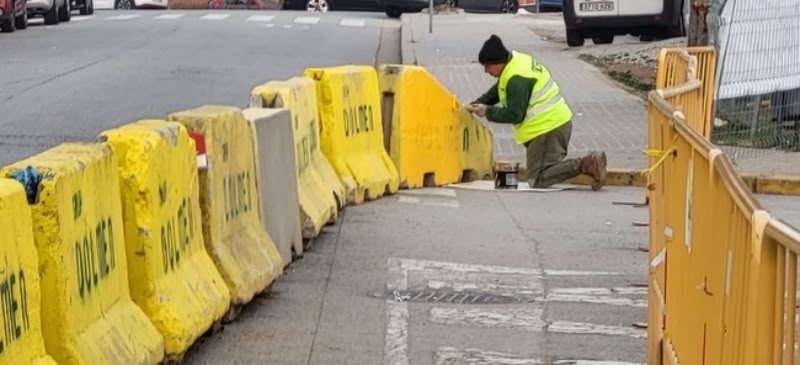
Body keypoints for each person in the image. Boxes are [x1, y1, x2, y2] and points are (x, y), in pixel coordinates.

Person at [466, 34, 607, 191]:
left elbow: (514, 114)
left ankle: (587, 163)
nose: (486, 71)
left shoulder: (516, 79)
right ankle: (588, 164)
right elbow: (498, 91)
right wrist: (477, 103)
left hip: (547, 129)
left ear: (498, 63)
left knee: (538, 179)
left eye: (487, 66)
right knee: (545, 170)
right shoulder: (516, 62)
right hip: (553, 123)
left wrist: (487, 111)